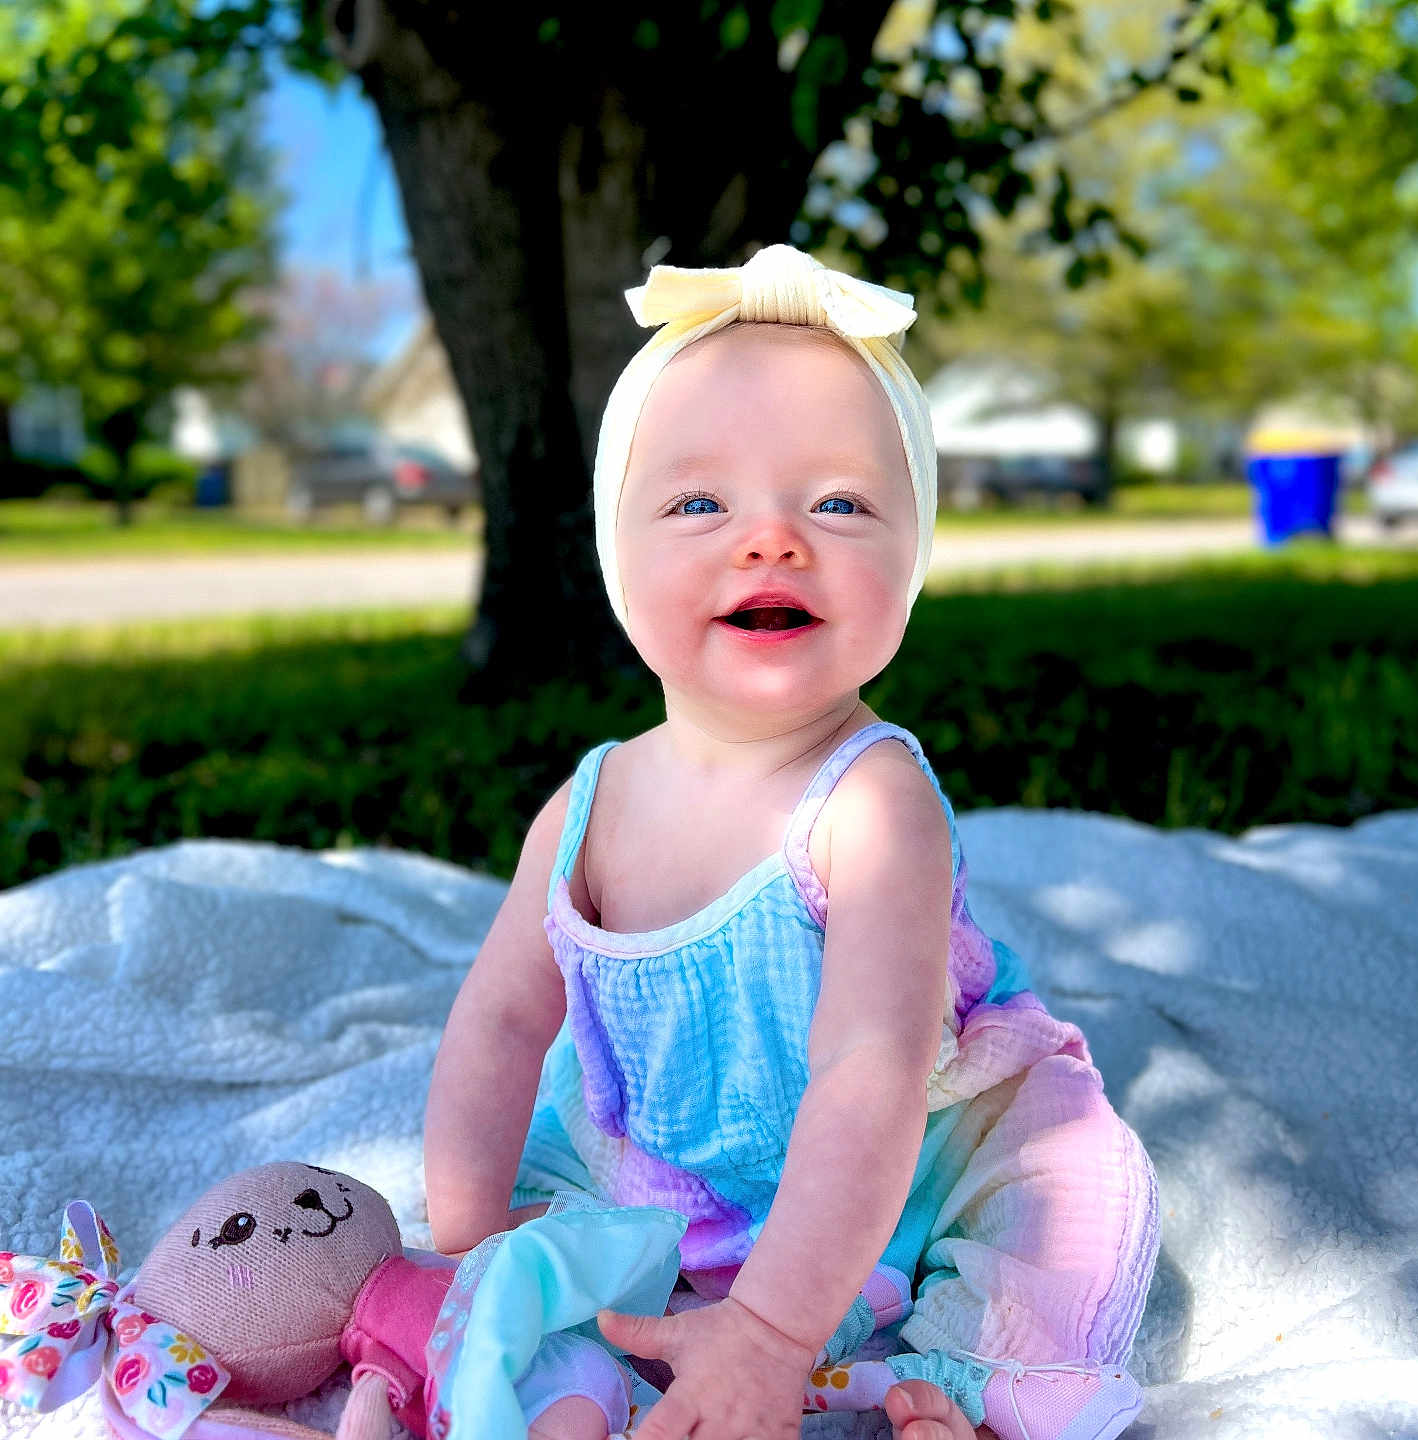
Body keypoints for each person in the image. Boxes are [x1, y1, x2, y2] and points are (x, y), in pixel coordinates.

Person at [423, 245, 1159, 1440]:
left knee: (1068, 1188)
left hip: (914, 1145)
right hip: (662, 1158)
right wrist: (462, 1242)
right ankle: (590, 1371)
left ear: (910, 560)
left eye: (839, 502)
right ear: (619, 558)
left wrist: (771, 1330)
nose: (771, 541)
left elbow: (869, 1077)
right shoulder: (587, 808)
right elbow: (504, 1021)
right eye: (700, 503)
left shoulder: (872, 804)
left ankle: (956, 1376)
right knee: (541, 1231)